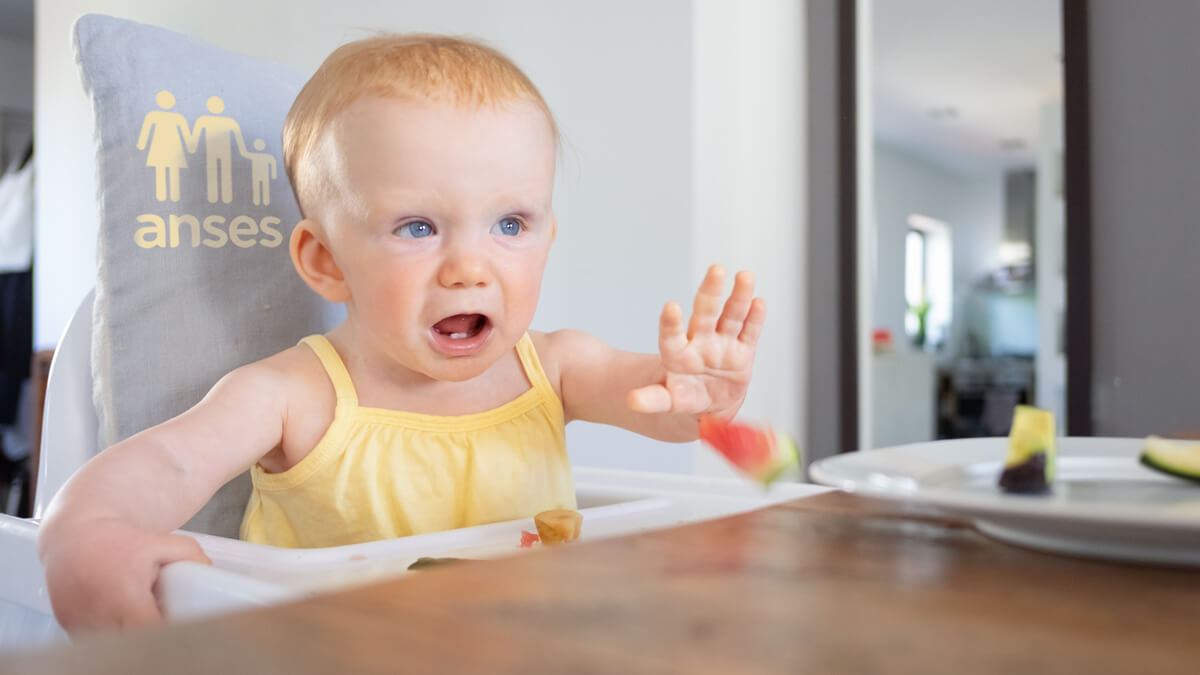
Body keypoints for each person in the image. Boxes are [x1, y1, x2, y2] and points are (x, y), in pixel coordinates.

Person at [38, 34, 766, 633]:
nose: (470, 267)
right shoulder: (297, 396)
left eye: (510, 223)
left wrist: (697, 392)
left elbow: (666, 409)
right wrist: (92, 528)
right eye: (418, 226)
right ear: (326, 261)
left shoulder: (558, 366)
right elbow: (165, 464)